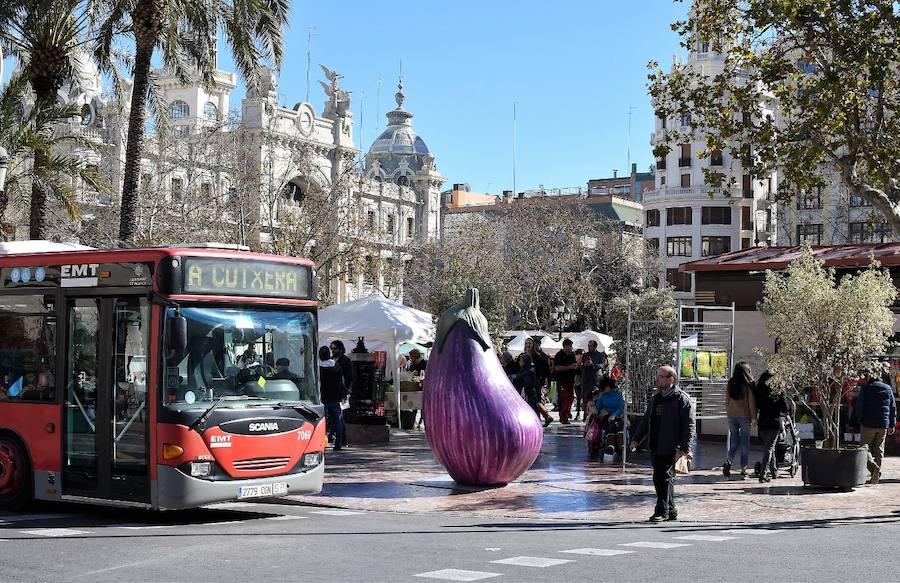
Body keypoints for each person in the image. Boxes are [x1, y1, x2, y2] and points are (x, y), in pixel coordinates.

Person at [630, 365, 695, 522]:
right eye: (657, 376)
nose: (657, 379)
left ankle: (662, 511)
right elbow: (646, 421)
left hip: (671, 445)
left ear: (671, 379)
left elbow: (689, 425)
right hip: (656, 444)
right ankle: (671, 510)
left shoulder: (682, 399)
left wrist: (684, 447)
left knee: (662, 478)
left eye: (661, 376)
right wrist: (636, 439)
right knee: (664, 478)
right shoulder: (656, 398)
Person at [855, 364, 896, 485]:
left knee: (864, 448)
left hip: (868, 423)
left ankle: (873, 468)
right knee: (879, 449)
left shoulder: (866, 388)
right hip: (883, 424)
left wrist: (859, 420)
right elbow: (892, 408)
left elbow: (859, 406)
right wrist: (891, 424)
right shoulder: (888, 388)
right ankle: (876, 473)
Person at [753, 370, 791, 483]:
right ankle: (763, 474)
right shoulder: (778, 391)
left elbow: (756, 405)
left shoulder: (759, 391)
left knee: (770, 447)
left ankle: (774, 471)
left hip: (763, 422)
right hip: (774, 423)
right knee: (769, 449)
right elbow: (785, 407)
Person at [723, 362, 758, 479]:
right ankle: (743, 469)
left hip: (731, 416)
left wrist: (728, 411)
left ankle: (728, 461)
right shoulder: (747, 384)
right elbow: (751, 402)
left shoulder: (731, 382)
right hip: (744, 416)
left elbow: (727, 399)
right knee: (744, 443)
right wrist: (753, 418)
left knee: (734, 441)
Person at [319, 346, 348, 451]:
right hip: (335, 397)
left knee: (321, 421)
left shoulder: (318, 367)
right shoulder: (336, 365)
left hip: (322, 397)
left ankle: (321, 443)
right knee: (337, 421)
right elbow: (341, 380)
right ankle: (338, 443)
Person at [513, 353, 553, 427]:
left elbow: (527, 382)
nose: (519, 362)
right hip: (530, 391)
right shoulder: (526, 369)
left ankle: (537, 422)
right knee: (536, 405)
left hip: (528, 392)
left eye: (521, 360)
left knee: (533, 406)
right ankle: (545, 417)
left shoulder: (528, 370)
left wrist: (520, 384)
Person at [580, 340, 607, 419]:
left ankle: (596, 414)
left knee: (597, 398)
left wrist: (593, 365)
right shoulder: (585, 355)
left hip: (596, 380)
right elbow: (581, 366)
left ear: (595, 346)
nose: (589, 347)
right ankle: (585, 415)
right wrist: (584, 365)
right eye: (588, 346)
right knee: (586, 398)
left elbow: (602, 365)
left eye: (590, 346)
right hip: (586, 379)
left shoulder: (600, 355)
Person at [553, 339, 578, 424]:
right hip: (562, 380)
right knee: (564, 398)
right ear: (564, 346)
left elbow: (574, 366)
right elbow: (556, 367)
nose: (570, 348)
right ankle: (563, 417)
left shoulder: (572, 355)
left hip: (571, 380)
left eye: (571, 346)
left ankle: (566, 413)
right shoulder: (559, 355)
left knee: (571, 398)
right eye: (568, 346)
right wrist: (569, 367)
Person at [525, 338, 551, 411]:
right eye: (527, 343)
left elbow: (547, 370)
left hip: (537, 381)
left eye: (530, 344)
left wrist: (547, 382)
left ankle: (544, 415)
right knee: (529, 401)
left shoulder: (541, 356)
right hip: (526, 381)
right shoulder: (524, 355)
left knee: (537, 400)